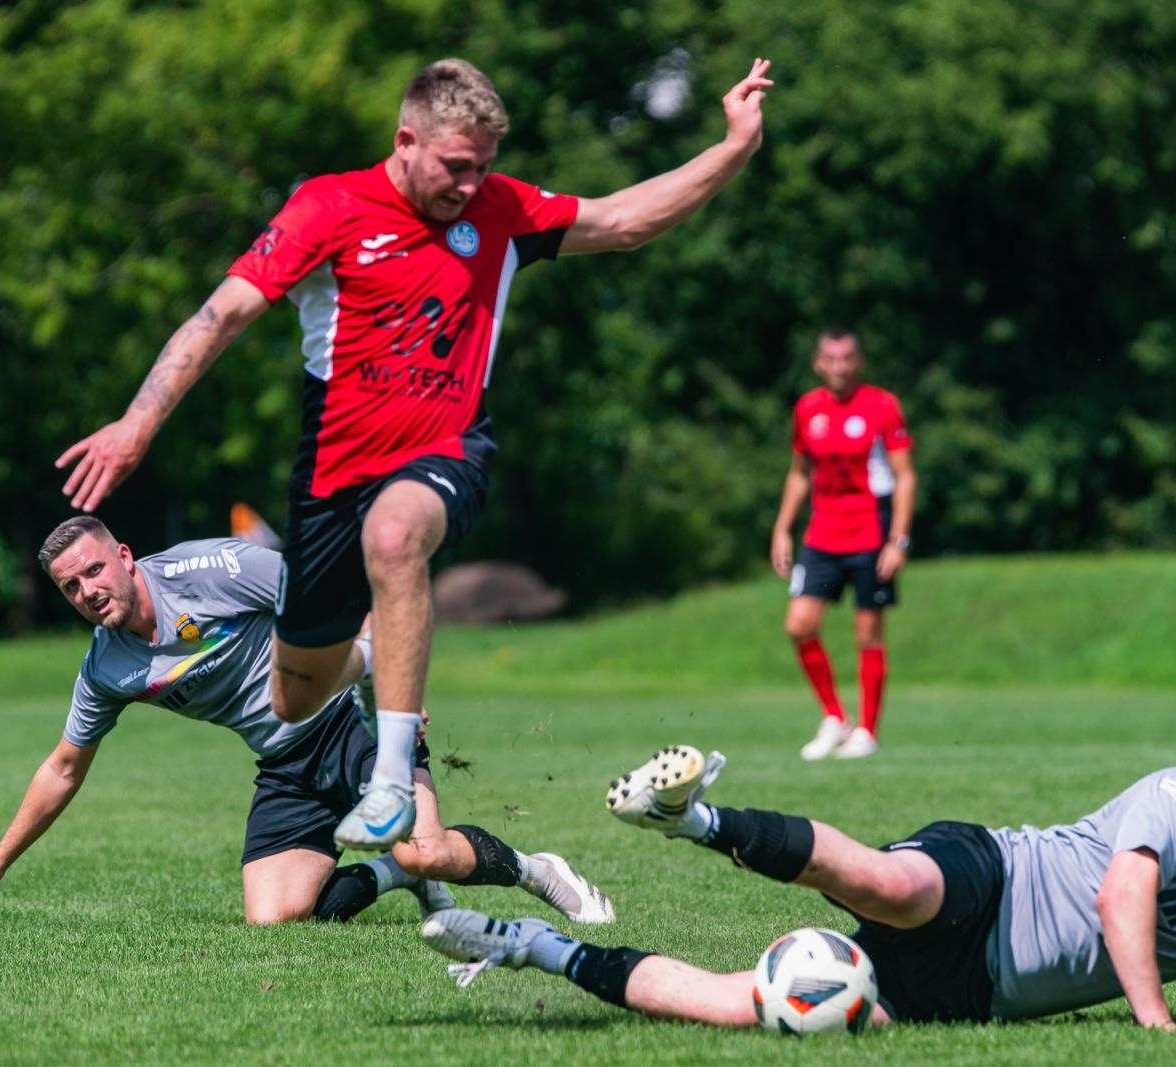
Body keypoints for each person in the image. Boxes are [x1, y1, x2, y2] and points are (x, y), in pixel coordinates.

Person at [55, 56, 775, 850]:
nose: (472, 185)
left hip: (445, 450)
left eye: (484, 167)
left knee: (395, 534)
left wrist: (733, 146)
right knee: (294, 697)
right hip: (330, 485)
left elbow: (627, 219)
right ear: (406, 141)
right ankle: (373, 667)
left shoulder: (502, 210)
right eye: (456, 166)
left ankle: (392, 780)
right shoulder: (327, 207)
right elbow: (218, 317)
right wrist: (138, 422)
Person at [419, 745, 1176, 1028]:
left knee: (739, 1003)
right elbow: (1122, 894)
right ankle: (691, 818)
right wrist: (1154, 1023)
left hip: (966, 993)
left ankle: (528, 942)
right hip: (994, 877)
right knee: (887, 882)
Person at [0, 516, 614, 928]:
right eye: (71, 587)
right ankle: (397, 876)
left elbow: (339, 598)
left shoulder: (212, 570)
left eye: (93, 570)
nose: (88, 591)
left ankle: (536, 869)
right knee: (274, 917)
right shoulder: (107, 668)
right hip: (285, 764)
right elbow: (62, 768)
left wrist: (393, 688)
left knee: (427, 850)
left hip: (353, 721)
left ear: (124, 556)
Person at [770, 330, 915, 760]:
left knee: (867, 631)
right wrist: (782, 528)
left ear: (859, 362)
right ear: (818, 363)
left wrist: (898, 540)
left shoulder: (881, 406)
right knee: (799, 624)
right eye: (831, 358)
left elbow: (905, 475)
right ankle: (835, 718)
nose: (840, 366)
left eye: (848, 357)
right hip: (823, 536)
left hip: (871, 534)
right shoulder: (807, 409)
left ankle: (867, 731)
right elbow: (799, 473)